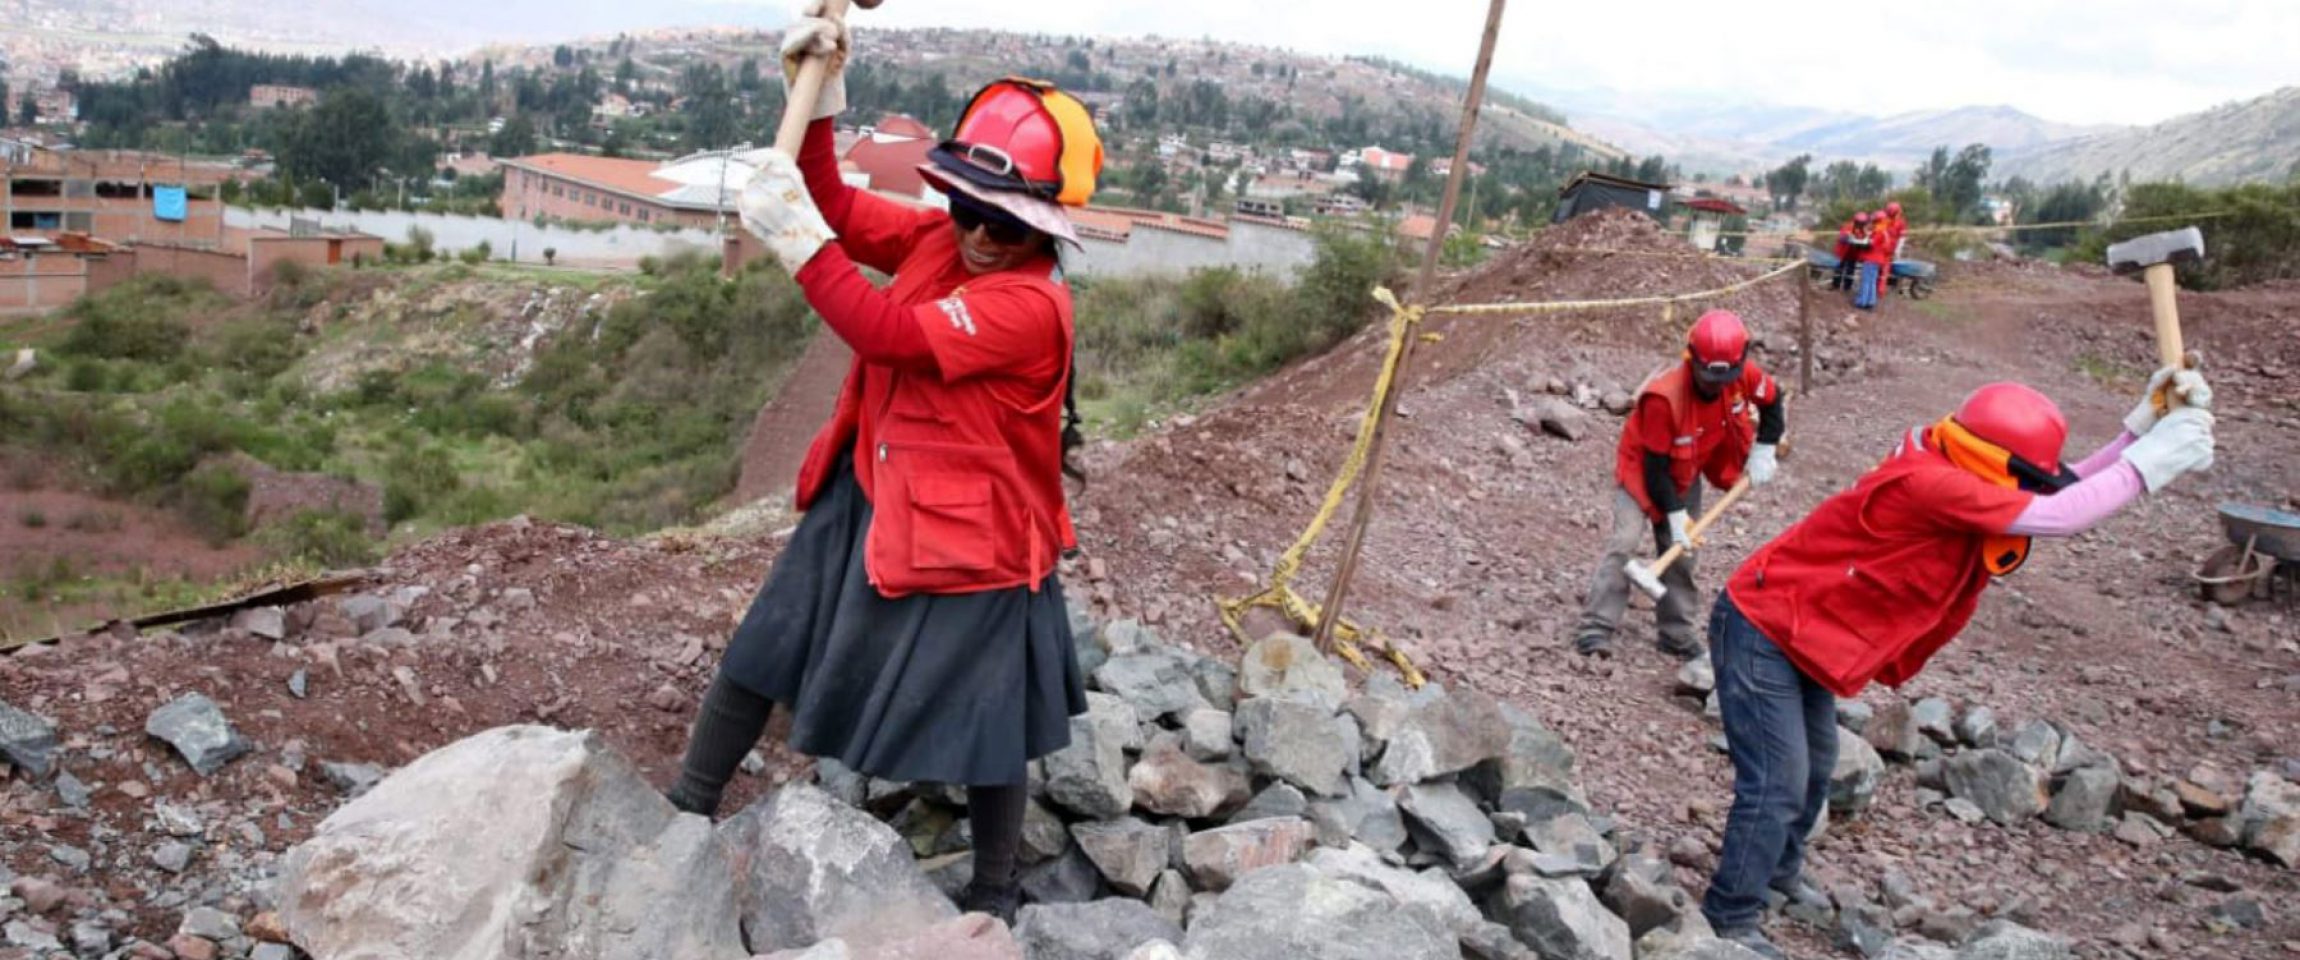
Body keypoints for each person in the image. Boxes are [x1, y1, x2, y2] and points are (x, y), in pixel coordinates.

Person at [663, 1, 1105, 923]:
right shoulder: (940, 243)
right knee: (763, 644)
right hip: (872, 486)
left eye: (1005, 225)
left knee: (992, 719)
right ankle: (684, 811)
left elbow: (886, 332)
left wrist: (798, 246)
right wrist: (820, 97)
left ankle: (994, 895)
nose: (980, 236)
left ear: (1043, 230)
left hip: (981, 531)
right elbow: (832, 203)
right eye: (968, 209)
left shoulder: (1030, 308)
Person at [1696, 373, 2215, 958]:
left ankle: (1777, 875)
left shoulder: (1963, 460)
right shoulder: (1934, 483)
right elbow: (2060, 513)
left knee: (1816, 768)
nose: (2033, 482)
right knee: (1779, 781)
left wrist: (2139, 431)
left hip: (1805, 631)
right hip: (1764, 626)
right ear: (1996, 459)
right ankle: (1730, 914)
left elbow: (2055, 487)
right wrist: (2150, 463)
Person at [1574, 309, 1785, 660]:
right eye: (1709, 378)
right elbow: (1655, 468)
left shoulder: (1743, 375)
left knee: (1683, 555)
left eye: (1724, 378)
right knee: (1625, 542)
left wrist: (1765, 448)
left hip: (1688, 469)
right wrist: (1675, 515)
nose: (1716, 386)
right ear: (1692, 359)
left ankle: (1675, 632)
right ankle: (1596, 626)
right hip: (1643, 472)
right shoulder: (1664, 398)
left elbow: (1773, 400)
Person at [1852, 209, 1892, 311]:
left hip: (1871, 259)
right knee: (1872, 282)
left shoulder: (1879, 232)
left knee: (1866, 280)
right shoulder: (1885, 231)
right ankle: (1871, 302)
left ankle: (1862, 302)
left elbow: (1870, 243)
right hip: (1878, 260)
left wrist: (1858, 240)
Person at [1831, 212, 1873, 292]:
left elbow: (1865, 238)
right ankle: (1835, 285)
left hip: (1853, 253)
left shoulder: (1863, 229)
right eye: (1860, 223)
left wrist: (1864, 240)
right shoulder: (1848, 226)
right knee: (1839, 269)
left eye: (1863, 223)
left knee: (1850, 270)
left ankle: (1847, 287)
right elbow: (1842, 238)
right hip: (1843, 252)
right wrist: (1849, 238)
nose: (1861, 225)